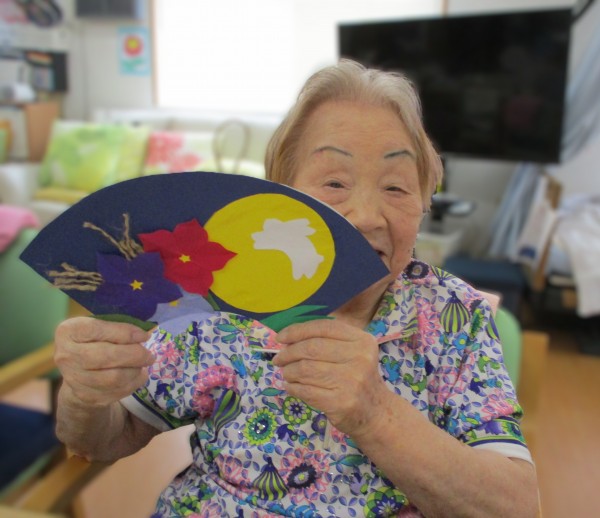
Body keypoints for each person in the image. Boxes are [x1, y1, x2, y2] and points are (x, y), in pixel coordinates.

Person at [54, 59, 538, 517]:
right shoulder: (222, 297)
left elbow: (513, 508)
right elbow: (105, 437)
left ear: (424, 204)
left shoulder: (455, 315)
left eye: (396, 187)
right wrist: (84, 395)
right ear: (280, 197)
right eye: (334, 183)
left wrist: (374, 413)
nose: (366, 217)